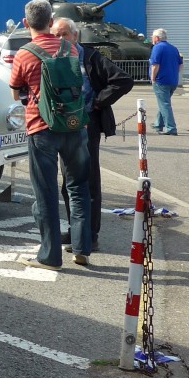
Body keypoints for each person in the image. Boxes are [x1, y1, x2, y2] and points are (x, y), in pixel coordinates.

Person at [9, 0, 93, 269]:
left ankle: (50, 256)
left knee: (45, 192)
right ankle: (81, 249)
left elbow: (15, 90)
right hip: (74, 124)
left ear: (25, 23)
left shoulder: (24, 53)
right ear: (50, 22)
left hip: (42, 128)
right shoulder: (71, 48)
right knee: (78, 188)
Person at [52, 18, 133, 251]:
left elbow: (123, 81)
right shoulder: (55, 59)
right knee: (68, 183)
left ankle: (90, 235)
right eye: (55, 35)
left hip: (87, 128)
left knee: (88, 182)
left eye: (64, 34)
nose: (59, 39)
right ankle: (75, 229)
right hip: (64, 128)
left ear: (75, 36)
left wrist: (97, 103)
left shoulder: (90, 57)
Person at [149, 28, 183, 135]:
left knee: (164, 104)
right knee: (164, 102)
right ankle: (158, 123)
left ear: (157, 38)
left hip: (161, 81)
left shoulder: (157, 48)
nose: (152, 39)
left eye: (152, 37)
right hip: (173, 80)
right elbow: (181, 65)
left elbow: (155, 65)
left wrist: (153, 78)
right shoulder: (173, 48)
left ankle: (171, 128)